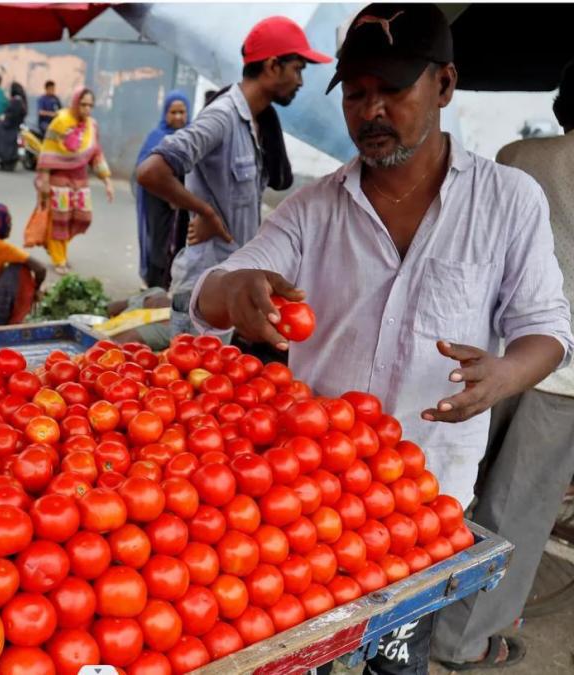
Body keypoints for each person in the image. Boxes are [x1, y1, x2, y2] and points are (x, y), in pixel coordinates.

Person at [191, 5, 573, 674]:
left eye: (393, 90)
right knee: (298, 652)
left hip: (421, 499)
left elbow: (547, 329)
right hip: (305, 494)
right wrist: (240, 290)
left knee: (396, 660)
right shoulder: (314, 208)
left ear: (445, 85)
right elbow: (216, 285)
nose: (372, 110)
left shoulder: (510, 199)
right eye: (358, 93)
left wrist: (505, 374)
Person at [430, 59, 574, 671]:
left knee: (454, 488)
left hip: (490, 355)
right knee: (517, 509)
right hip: (563, 375)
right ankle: (461, 641)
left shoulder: (521, 157)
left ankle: (407, 610)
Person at [136, 16, 331, 337]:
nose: (300, 81)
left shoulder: (255, 122)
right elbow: (151, 171)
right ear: (272, 66)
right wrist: (205, 212)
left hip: (230, 283)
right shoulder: (223, 116)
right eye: (297, 68)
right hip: (204, 290)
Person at [35, 87, 114, 275]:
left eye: (90, 105)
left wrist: (107, 181)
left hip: (80, 179)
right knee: (60, 219)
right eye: (83, 104)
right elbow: (47, 152)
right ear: (75, 103)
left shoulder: (92, 126)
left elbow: (96, 153)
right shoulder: (60, 122)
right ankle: (59, 258)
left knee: (82, 218)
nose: (87, 109)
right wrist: (44, 182)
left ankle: (56, 247)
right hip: (59, 179)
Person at [135, 91, 191, 289]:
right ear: (165, 113)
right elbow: (142, 170)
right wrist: (168, 193)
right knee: (159, 243)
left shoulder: (193, 136)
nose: (178, 117)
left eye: (182, 112)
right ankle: (155, 286)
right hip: (157, 202)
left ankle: (172, 287)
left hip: (183, 203)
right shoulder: (156, 137)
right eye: (173, 112)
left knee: (180, 245)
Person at [0, 82, 28, 169]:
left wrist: (4, 118)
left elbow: (11, 115)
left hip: (9, 126)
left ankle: (2, 157)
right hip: (14, 126)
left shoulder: (16, 101)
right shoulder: (21, 101)